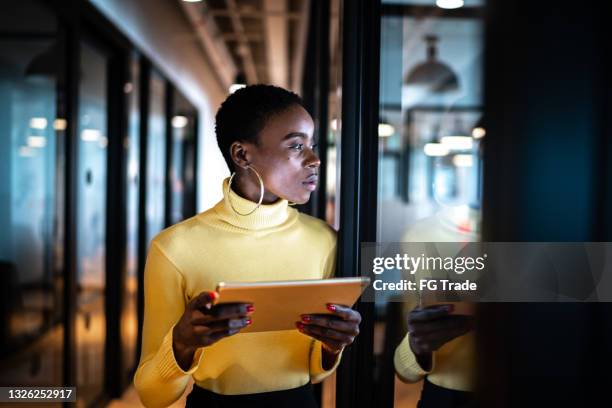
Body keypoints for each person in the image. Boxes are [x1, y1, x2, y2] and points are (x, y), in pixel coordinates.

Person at [133, 84, 361, 408]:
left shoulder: (324, 240)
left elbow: (314, 372)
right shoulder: (174, 249)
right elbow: (152, 395)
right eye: (296, 146)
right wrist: (181, 344)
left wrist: (331, 346)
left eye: (311, 144)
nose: (315, 160)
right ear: (242, 154)